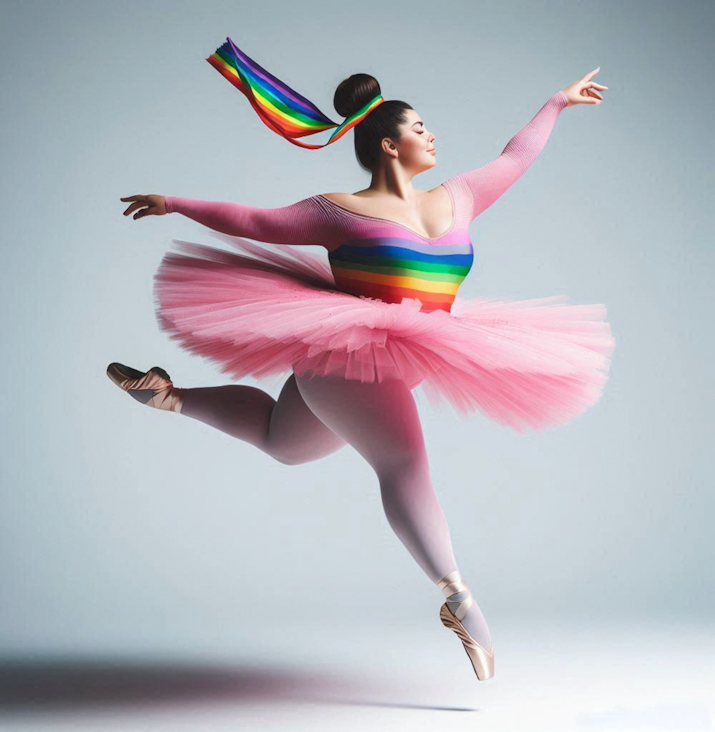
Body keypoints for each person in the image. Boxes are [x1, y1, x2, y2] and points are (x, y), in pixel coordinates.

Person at [108, 37, 612, 681]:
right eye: (421, 126)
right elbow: (252, 220)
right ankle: (458, 597)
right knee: (403, 459)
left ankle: (169, 396)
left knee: (283, 442)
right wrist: (177, 202)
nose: (434, 135)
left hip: (402, 359)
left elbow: (516, 155)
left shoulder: (460, 196)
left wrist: (555, 104)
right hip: (344, 358)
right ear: (387, 143)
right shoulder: (336, 211)